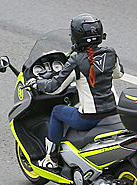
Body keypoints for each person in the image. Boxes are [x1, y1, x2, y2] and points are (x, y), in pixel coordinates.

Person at [26, 13, 124, 168]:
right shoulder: (110, 53)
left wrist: (37, 83)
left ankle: (51, 158)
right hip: (114, 112)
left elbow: (54, 88)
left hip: (90, 118)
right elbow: (118, 74)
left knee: (58, 111)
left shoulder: (76, 60)